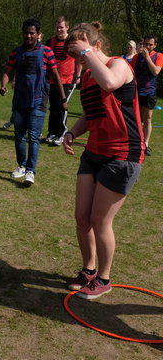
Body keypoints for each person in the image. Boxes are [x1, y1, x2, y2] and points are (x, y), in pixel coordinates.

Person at [63, 22, 145, 300]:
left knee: (100, 221)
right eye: (75, 58)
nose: (79, 63)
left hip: (123, 155)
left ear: (92, 43)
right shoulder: (88, 76)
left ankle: (104, 278)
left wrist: (86, 52)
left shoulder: (119, 64)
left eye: (79, 55)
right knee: (81, 217)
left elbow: (110, 83)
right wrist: (73, 132)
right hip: (94, 152)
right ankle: (88, 270)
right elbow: (91, 112)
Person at [0, 18, 67, 185]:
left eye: (32, 33)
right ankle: (22, 165)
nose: (28, 35)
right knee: (19, 136)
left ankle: (31, 171)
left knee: (34, 137)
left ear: (38, 34)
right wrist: (3, 85)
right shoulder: (16, 52)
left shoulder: (46, 52)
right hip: (19, 101)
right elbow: (8, 71)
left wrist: (63, 97)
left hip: (38, 100)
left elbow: (55, 74)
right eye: (26, 32)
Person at [45, 17, 81, 146]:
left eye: (62, 27)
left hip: (67, 79)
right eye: (57, 27)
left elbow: (79, 59)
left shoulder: (72, 41)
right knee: (53, 107)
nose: (59, 30)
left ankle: (61, 133)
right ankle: (52, 132)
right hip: (53, 79)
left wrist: (78, 76)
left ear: (67, 27)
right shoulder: (50, 41)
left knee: (62, 106)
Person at [130, 34, 163, 156]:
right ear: (142, 43)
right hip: (136, 92)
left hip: (149, 92)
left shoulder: (158, 56)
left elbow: (155, 71)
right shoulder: (136, 57)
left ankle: (145, 144)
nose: (147, 46)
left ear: (155, 45)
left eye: (150, 44)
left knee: (147, 118)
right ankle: (134, 142)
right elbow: (130, 72)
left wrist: (147, 58)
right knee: (134, 118)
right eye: (145, 44)